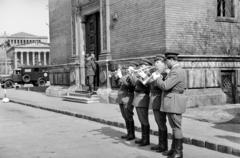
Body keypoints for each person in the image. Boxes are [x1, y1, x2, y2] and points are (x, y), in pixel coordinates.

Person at [152, 52, 187, 158]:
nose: (166, 64)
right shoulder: (175, 71)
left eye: (166, 61)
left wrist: (157, 78)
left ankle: (178, 152)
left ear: (171, 60)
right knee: (174, 127)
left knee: (176, 128)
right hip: (173, 101)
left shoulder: (176, 72)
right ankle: (173, 149)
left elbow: (165, 86)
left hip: (174, 101)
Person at [129, 59, 152, 146]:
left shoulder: (149, 75)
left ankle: (146, 140)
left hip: (143, 98)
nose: (141, 68)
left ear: (147, 66)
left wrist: (143, 75)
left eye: (143, 66)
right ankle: (144, 138)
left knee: (144, 120)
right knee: (141, 120)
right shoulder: (141, 74)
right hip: (138, 98)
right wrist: (132, 74)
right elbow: (134, 84)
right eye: (141, 66)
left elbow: (147, 85)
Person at [149, 54, 168, 153]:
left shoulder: (165, 74)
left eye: (158, 62)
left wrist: (157, 78)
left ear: (163, 63)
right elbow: (149, 85)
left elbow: (163, 86)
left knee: (161, 123)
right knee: (158, 122)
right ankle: (160, 144)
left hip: (160, 100)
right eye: (155, 62)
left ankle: (163, 146)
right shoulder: (155, 73)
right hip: (154, 100)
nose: (155, 64)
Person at [115, 62, 138, 141]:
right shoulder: (125, 76)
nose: (127, 69)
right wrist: (117, 77)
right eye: (127, 68)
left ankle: (132, 134)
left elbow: (131, 86)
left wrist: (121, 77)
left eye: (129, 68)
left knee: (128, 115)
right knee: (124, 116)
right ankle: (128, 133)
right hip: (121, 98)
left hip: (128, 97)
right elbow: (118, 85)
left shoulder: (132, 77)